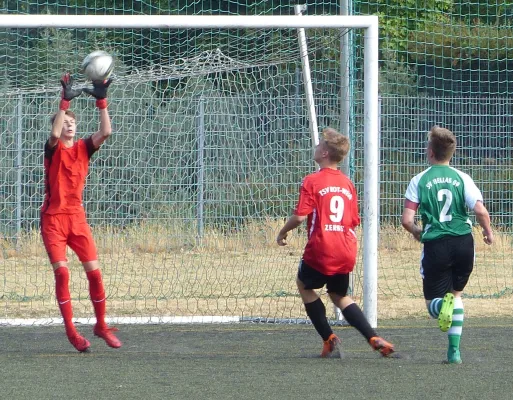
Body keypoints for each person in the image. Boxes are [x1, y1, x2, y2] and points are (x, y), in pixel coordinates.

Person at [276, 127, 395, 358]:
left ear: (325, 154)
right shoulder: (347, 184)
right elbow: (352, 220)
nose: (316, 146)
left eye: (320, 144)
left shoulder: (312, 180)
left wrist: (282, 232)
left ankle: (328, 338)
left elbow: (300, 217)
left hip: (322, 248)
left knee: (304, 285)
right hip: (346, 248)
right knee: (339, 295)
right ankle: (372, 337)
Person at [40, 73, 122, 352]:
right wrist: (63, 103)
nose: (69, 127)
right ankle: (72, 333)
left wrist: (102, 101)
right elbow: (53, 134)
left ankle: (101, 325)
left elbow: (106, 132)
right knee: (62, 274)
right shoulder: (52, 150)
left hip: (77, 218)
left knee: (95, 275)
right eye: (65, 123)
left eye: (73, 123)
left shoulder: (84, 148)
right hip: (53, 220)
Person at [401, 125, 493, 364]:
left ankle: (443, 305)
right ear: (451, 153)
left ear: (430, 152)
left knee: (434, 303)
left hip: (437, 244)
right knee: (457, 295)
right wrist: (488, 232)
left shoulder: (419, 180)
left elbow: (406, 220)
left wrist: (417, 232)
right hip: (464, 242)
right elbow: (480, 210)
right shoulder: (463, 178)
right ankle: (454, 352)